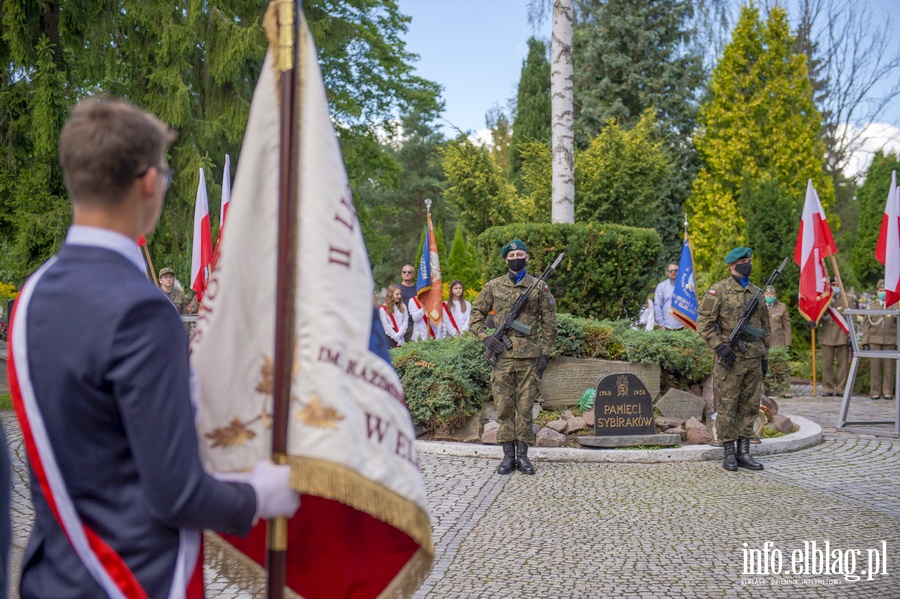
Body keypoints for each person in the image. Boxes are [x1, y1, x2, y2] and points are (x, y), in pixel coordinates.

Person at [7, 97, 300, 598]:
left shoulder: (31, 295)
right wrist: (258, 496)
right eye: (163, 176)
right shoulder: (144, 311)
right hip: (130, 579)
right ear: (147, 181)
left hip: (52, 574)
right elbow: (176, 495)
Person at [470, 239, 557, 476]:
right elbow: (475, 315)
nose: (516, 258)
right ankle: (508, 457)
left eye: (520, 254)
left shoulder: (539, 287)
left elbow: (549, 324)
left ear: (527, 258)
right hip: (502, 359)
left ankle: (524, 456)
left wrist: (545, 354)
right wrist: (486, 338)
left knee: (526, 406)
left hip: (530, 358)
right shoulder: (493, 286)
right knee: (505, 407)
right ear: (506, 259)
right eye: (511, 255)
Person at [697, 247, 770, 472]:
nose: (748, 264)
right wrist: (719, 346)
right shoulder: (717, 291)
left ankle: (744, 452)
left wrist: (765, 356)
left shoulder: (757, 293)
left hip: (753, 360)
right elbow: (704, 324)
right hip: (729, 361)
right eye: (743, 261)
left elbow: (765, 328)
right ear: (731, 266)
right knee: (728, 406)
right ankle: (729, 452)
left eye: (749, 260)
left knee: (748, 407)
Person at [862, 279, 897, 400]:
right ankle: (875, 392)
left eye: (885, 291)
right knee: (875, 367)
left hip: (890, 339)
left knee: (889, 368)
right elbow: (866, 325)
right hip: (874, 339)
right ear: (877, 291)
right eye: (880, 290)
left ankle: (887, 391)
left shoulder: (894, 306)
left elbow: (897, 326)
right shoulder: (871, 306)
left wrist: (897, 342)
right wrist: (865, 342)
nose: (882, 293)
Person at [819, 279, 850, 397]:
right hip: (827, 335)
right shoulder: (824, 299)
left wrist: (851, 335)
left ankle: (841, 388)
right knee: (827, 364)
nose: (835, 287)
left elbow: (852, 319)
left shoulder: (847, 300)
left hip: (842, 335)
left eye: (838, 285)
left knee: (842, 365)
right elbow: (818, 316)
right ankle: (828, 388)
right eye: (833, 285)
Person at [654, 263, 684, 330]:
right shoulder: (661, 286)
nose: (673, 272)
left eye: (675, 270)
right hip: (666, 326)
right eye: (671, 271)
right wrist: (660, 323)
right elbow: (657, 305)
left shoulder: (685, 287)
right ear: (667, 273)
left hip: (682, 326)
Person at [765, 285, 791, 349]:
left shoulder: (781, 307)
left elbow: (787, 327)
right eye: (767, 294)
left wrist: (788, 344)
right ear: (764, 295)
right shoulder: (760, 306)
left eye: (771, 294)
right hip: (763, 344)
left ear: (775, 295)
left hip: (778, 343)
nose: (769, 296)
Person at [398, 264, 417, 343]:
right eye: (404, 272)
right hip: (398, 324)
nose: (407, 274)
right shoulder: (396, 288)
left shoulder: (418, 289)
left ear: (413, 274)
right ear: (401, 274)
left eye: (409, 272)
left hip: (413, 325)